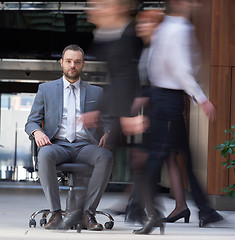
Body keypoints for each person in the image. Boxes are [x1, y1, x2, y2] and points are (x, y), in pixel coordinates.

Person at [131, 0, 223, 235]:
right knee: (157, 159)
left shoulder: (171, 27)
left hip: (167, 100)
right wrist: (201, 98)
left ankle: (203, 210)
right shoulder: (178, 28)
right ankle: (145, 211)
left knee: (181, 158)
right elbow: (181, 68)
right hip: (168, 101)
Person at [25, 44, 113, 231]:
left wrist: (108, 132)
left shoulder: (96, 92)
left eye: (77, 62)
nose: (72, 65)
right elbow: (31, 122)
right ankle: (56, 213)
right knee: (45, 154)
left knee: (105, 156)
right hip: (57, 145)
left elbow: (107, 121)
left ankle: (88, 213)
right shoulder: (46, 90)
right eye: (69, 61)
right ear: (61, 63)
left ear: (83, 65)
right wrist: (37, 132)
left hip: (84, 146)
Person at [85, 0, 148, 225]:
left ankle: (139, 208)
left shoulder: (131, 33)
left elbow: (134, 75)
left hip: (138, 102)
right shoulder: (104, 35)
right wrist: (101, 110)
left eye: (101, 4)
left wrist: (132, 112)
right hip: (123, 103)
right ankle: (134, 207)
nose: (93, 9)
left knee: (142, 158)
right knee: (128, 156)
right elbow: (115, 78)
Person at [135, 9, 190, 223]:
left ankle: (140, 206)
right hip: (157, 111)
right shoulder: (150, 47)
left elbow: (172, 80)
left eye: (145, 22)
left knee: (150, 158)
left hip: (163, 111)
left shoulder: (160, 48)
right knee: (168, 159)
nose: (141, 27)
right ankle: (180, 206)